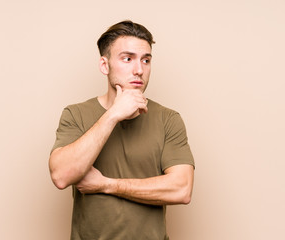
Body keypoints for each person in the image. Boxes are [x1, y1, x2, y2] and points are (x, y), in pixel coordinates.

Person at [49, 20, 195, 240]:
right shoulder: (75, 114)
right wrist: (113, 114)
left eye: (146, 60)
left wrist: (107, 185)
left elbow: (181, 189)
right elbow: (61, 175)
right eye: (127, 59)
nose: (139, 70)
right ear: (104, 65)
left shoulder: (168, 119)